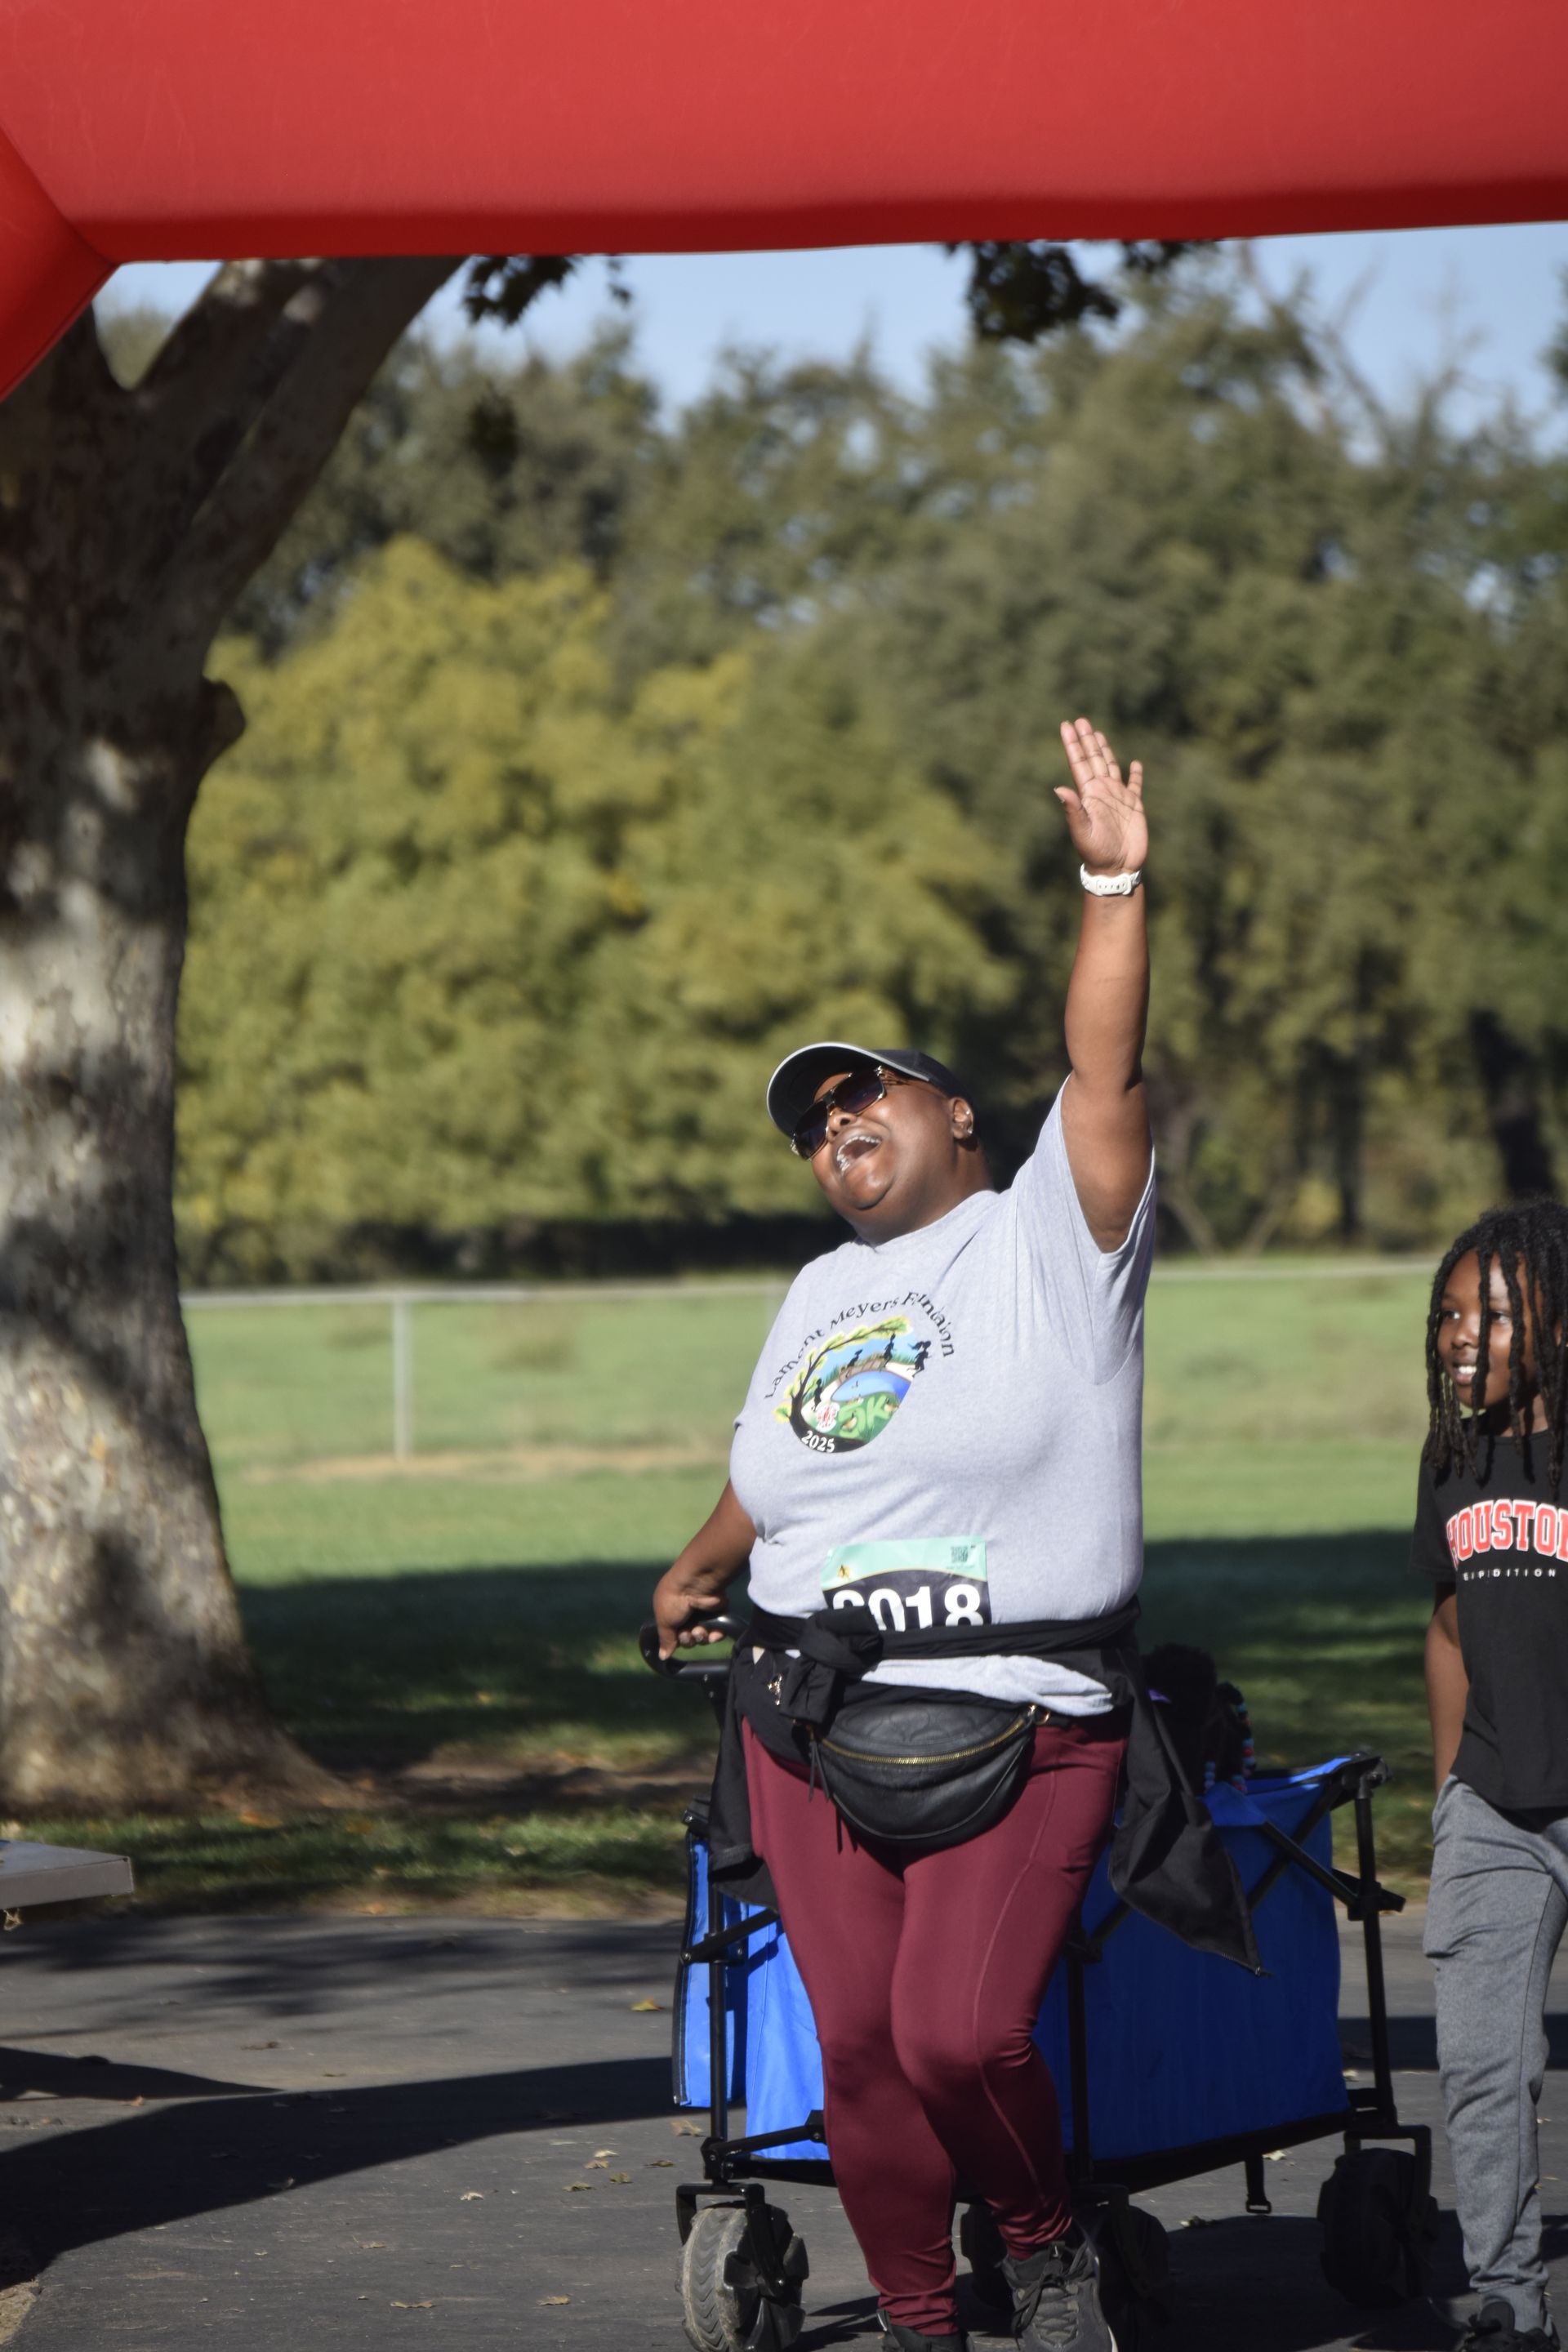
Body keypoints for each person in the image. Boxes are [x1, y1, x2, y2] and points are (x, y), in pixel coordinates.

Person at [653, 717, 1156, 2352]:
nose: (837, 1124)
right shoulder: (817, 1292)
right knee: (857, 2054)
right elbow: (786, 1464)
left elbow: (1104, 1067)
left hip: (1018, 1706)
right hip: (810, 1712)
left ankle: (1043, 2241)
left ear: (959, 1124)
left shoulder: (1049, 1245)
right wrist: (705, 1558)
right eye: (816, 1119)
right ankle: (927, 2327)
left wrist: (1110, 884)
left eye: (869, 1096)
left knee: (958, 2035)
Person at [1417, 1203, 1568, 2352]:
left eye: (1496, 1313)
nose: (1461, 1337)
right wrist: (1448, 1796)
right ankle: (1508, 2296)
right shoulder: (1456, 1455)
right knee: (1477, 2063)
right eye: (1451, 1314)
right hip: (1496, 1798)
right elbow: (1451, 1627)